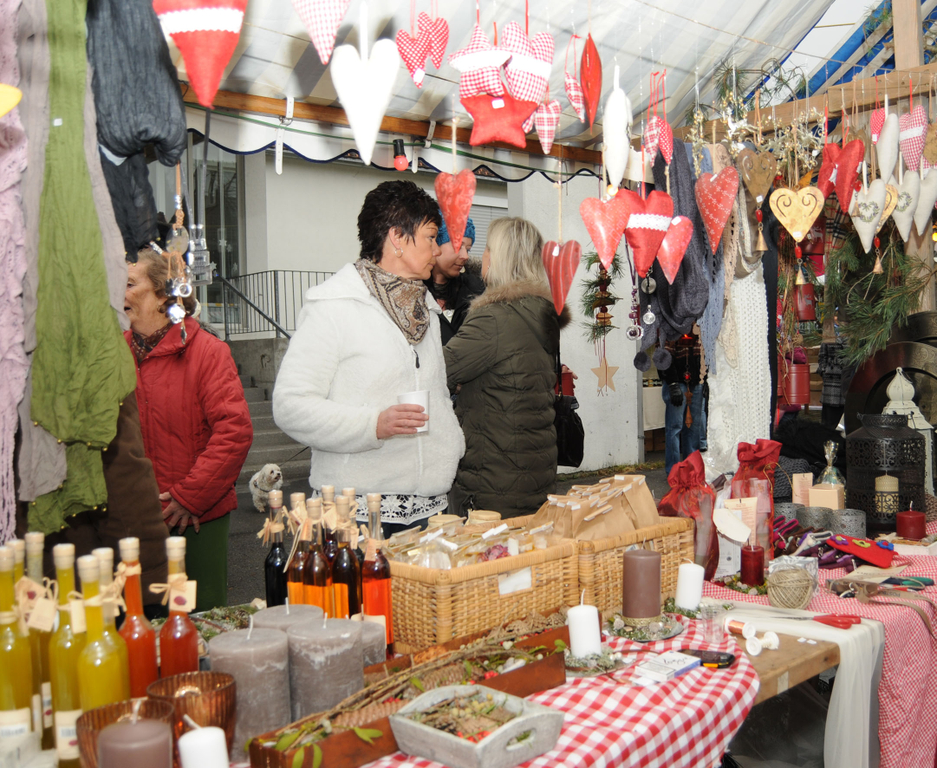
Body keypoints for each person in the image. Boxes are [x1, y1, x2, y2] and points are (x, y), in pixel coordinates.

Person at [272, 180, 465, 537]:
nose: (437, 249)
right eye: (430, 237)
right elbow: (290, 406)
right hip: (356, 510)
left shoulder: (423, 309)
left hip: (429, 506)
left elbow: (437, 396)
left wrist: (451, 440)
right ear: (397, 237)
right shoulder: (334, 306)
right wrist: (372, 425)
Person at [124, 247, 252, 611]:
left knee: (198, 620)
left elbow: (234, 432)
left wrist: (189, 497)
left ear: (163, 294)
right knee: (138, 623)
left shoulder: (207, 352)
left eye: (129, 283)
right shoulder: (114, 354)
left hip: (196, 520)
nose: (118, 290)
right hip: (133, 519)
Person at [445, 217, 567, 518]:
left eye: (487, 248)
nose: (482, 256)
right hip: (533, 471)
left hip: (492, 480)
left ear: (500, 257)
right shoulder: (538, 312)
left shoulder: (493, 319)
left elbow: (438, 371)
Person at [424, 213, 484, 345]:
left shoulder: (477, 293)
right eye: (457, 247)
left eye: (468, 249)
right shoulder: (412, 292)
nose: (465, 256)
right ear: (435, 244)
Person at [660, 332, 704, 476]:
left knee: (693, 428)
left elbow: (705, 352)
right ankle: (674, 471)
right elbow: (664, 354)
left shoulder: (700, 325)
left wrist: (705, 379)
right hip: (677, 382)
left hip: (696, 381)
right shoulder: (671, 324)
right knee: (674, 428)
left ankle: (691, 470)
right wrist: (672, 382)